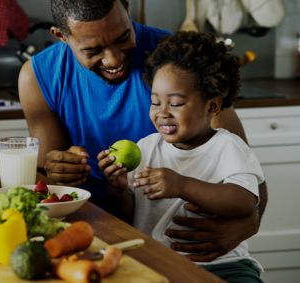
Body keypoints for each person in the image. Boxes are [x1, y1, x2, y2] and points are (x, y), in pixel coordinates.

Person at [18, 0, 268, 263]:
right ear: (61, 36)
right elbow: (46, 185)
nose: (114, 59)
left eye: (123, 37)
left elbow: (248, 178)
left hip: (184, 250)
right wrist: (57, 168)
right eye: (93, 50)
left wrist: (248, 225)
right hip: (88, 236)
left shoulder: (177, 62)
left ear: (127, 8)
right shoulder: (39, 77)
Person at [98, 31, 265, 282]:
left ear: (212, 106)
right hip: (157, 263)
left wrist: (182, 185)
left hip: (225, 265)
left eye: (175, 104)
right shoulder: (146, 148)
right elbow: (127, 218)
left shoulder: (228, 147)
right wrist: (118, 190)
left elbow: (244, 202)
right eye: (155, 102)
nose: (162, 113)